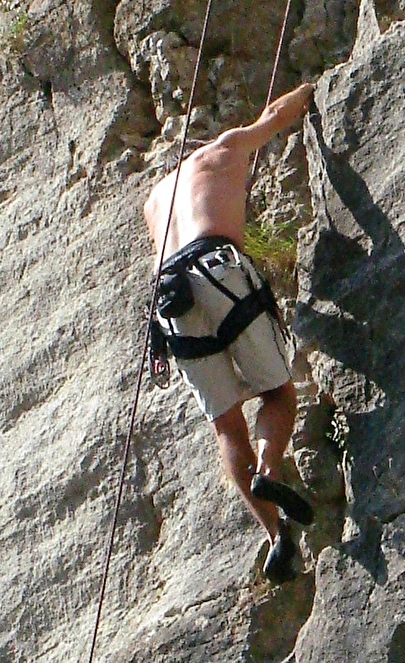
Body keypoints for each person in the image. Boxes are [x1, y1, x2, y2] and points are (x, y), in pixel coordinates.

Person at [143, 82, 317, 584]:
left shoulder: (153, 200)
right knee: (279, 395)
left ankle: (276, 536)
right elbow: (276, 116)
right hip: (216, 266)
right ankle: (268, 472)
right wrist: (306, 92)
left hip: (170, 300)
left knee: (226, 425)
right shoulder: (222, 150)